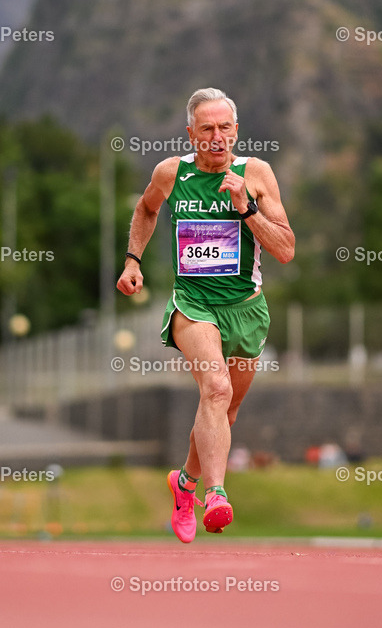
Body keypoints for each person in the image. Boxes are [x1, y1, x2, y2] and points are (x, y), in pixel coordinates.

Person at [116, 87, 295, 542]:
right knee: (214, 389)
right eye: (207, 129)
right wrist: (132, 261)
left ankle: (185, 483)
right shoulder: (171, 172)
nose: (217, 137)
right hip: (193, 306)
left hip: (246, 310)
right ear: (191, 132)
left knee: (226, 411)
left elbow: (286, 250)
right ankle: (216, 495)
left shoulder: (256, 174)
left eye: (225, 128)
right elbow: (145, 209)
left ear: (236, 131)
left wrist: (247, 208)